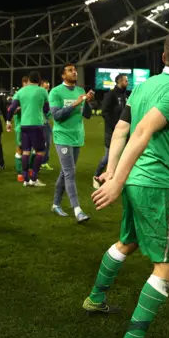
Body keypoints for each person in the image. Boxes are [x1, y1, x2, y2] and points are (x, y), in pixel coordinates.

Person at [84, 30, 169, 338]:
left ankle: (95, 299)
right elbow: (144, 131)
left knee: (127, 241)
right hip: (156, 183)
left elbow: (121, 130)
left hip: (136, 180)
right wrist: (115, 180)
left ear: (162, 58)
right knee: (168, 266)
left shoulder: (144, 86)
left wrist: (114, 170)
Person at [49, 64, 94, 223]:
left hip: (77, 137)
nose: (74, 72)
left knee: (65, 172)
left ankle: (55, 204)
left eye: (75, 70)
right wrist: (74, 104)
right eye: (70, 70)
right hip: (62, 137)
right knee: (70, 172)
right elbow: (57, 116)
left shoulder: (80, 91)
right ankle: (78, 210)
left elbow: (88, 115)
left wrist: (87, 102)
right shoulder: (55, 92)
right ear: (63, 75)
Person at [7, 71, 49, 186]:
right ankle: (34, 178)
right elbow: (46, 109)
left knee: (26, 151)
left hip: (24, 125)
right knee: (40, 151)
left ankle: (25, 179)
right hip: (37, 125)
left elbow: (11, 109)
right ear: (39, 81)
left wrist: (8, 121)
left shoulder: (20, 91)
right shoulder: (43, 91)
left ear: (29, 80)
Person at [93, 73, 129, 188]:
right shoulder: (111, 94)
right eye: (126, 81)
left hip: (124, 132)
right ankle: (96, 177)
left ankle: (116, 179)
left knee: (123, 156)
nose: (127, 83)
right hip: (112, 131)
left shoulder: (125, 95)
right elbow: (104, 112)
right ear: (119, 82)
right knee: (108, 157)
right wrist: (115, 127)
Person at [7, 76, 30, 182]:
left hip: (32, 125)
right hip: (20, 126)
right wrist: (20, 108)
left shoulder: (31, 94)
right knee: (20, 148)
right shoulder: (18, 94)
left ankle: (27, 168)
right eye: (29, 83)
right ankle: (20, 172)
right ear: (24, 83)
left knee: (33, 149)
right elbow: (12, 110)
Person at [39, 80, 54, 171]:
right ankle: (34, 163)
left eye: (48, 88)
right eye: (45, 88)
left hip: (45, 123)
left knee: (48, 142)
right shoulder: (38, 97)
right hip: (37, 123)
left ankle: (43, 162)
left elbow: (48, 112)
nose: (46, 90)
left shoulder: (48, 97)